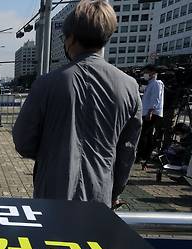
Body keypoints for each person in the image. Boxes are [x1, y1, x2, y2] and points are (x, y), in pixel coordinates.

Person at [12, 0, 142, 208]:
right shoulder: (129, 87)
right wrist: (114, 191)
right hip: (100, 196)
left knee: (53, 241)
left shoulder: (47, 84)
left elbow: (23, 141)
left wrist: (53, 152)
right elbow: (127, 150)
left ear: (71, 38)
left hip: (53, 195)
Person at [137, 65, 165, 162]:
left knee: (144, 134)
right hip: (148, 112)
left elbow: (155, 98)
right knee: (147, 135)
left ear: (152, 72)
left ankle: (142, 155)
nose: (145, 74)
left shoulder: (157, 83)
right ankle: (146, 155)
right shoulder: (151, 84)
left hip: (151, 113)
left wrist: (150, 112)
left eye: (146, 72)